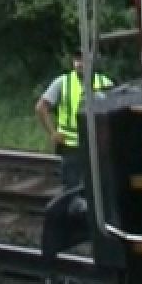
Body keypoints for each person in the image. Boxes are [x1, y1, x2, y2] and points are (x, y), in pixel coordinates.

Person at [35, 50, 112, 192]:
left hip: (97, 145)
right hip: (71, 146)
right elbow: (41, 107)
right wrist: (53, 132)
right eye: (78, 59)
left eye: (84, 60)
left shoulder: (105, 83)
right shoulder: (62, 82)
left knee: (99, 189)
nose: (80, 63)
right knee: (72, 190)